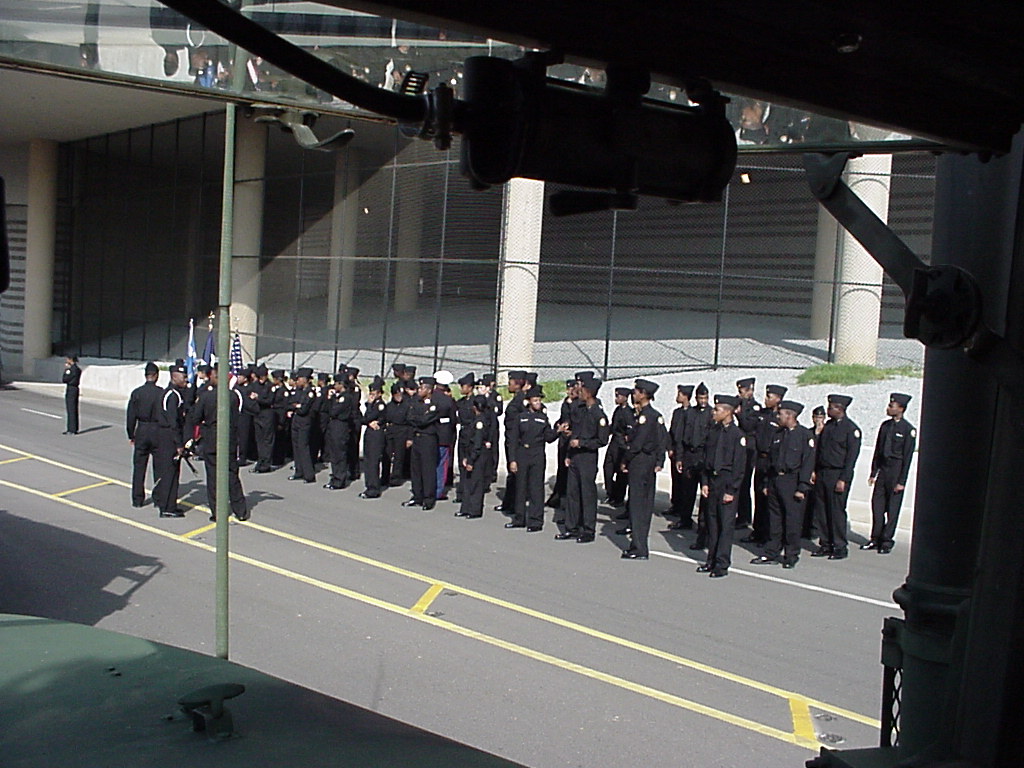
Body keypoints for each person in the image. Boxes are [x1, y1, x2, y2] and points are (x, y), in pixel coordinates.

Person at [751, 400, 815, 569]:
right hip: (775, 480)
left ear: (789, 415)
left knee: (792, 522)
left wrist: (802, 487)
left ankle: (791, 555)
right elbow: (770, 460)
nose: (777, 417)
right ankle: (771, 552)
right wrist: (767, 483)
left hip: (792, 482)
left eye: (780, 414)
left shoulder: (804, 436)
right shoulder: (778, 434)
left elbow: (807, 464)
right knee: (774, 520)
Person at [186, 364, 249, 522]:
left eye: (213, 376)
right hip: (229, 440)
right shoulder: (233, 396)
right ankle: (240, 510)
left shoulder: (206, 397)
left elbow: (195, 418)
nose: (210, 379)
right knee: (232, 476)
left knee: (213, 478)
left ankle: (217, 511)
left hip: (212, 440)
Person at [697, 394, 748, 578]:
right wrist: (704, 482)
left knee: (725, 526)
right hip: (713, 480)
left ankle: (722, 563)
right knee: (712, 524)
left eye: (717, 410)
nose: (713, 412)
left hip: (727, 482)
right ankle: (711, 560)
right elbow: (705, 459)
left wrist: (732, 490)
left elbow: (739, 466)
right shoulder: (713, 431)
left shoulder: (737, 436)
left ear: (727, 412)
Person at [557, 372, 610, 543]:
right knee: (572, 493)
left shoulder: (598, 414)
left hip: (587, 458)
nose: (578, 392)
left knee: (587, 495)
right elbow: (575, 432)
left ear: (589, 392)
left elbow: (602, 440)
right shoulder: (579, 410)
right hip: (574, 457)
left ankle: (588, 529)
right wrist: (568, 453)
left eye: (582, 389)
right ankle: (571, 527)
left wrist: (582, 443)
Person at [621, 379, 668, 560]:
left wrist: (625, 460)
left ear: (643, 394)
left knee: (637, 504)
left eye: (636, 392)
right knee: (645, 504)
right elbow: (662, 441)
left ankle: (638, 547)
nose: (634, 394)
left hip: (640, 462)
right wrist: (659, 460)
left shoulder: (645, 417)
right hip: (649, 462)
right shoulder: (656, 416)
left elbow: (637, 444)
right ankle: (639, 544)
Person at [865, 393, 917, 554]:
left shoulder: (908, 430)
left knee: (892, 509)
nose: (888, 408)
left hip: (896, 470)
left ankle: (886, 540)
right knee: (877, 506)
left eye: (892, 406)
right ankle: (875, 538)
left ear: (901, 408)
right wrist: (873, 472)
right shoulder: (885, 426)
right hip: (884, 470)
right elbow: (878, 450)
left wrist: (902, 481)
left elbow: (907, 458)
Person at [812, 394, 861, 560]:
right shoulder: (828, 427)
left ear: (840, 409)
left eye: (831, 407)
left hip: (838, 474)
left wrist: (843, 479)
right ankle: (825, 544)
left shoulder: (850, 429)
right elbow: (819, 450)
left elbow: (851, 458)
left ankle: (839, 546)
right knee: (822, 510)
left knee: (836, 511)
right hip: (823, 472)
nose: (828, 410)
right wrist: (814, 470)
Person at [505, 386, 559, 531]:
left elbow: (548, 437)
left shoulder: (543, 418)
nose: (538, 403)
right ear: (528, 401)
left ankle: (536, 521)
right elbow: (513, 440)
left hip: (537, 454)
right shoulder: (520, 417)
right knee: (520, 487)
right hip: (522, 453)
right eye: (535, 400)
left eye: (539, 400)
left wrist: (558, 432)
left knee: (536, 489)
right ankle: (519, 518)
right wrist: (512, 460)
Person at [744, 383, 787, 545]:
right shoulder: (762, 414)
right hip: (760, 460)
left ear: (778, 399)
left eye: (769, 397)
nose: (766, 399)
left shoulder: (780, 419)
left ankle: (768, 534)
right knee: (759, 496)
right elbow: (748, 426)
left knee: (769, 499)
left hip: (772, 461)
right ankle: (758, 531)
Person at [152, 360, 189, 518]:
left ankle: (165, 502)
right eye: (183, 376)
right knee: (170, 473)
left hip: (165, 435)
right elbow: (173, 422)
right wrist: (179, 443)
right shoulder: (172, 395)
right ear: (174, 376)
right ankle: (167, 507)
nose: (186, 379)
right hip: (168, 437)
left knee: (169, 471)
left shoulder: (170, 393)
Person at [126, 361, 163, 508]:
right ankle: (158, 498)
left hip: (142, 429)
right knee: (158, 467)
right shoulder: (161, 393)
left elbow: (131, 416)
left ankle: (137, 498)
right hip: (157, 430)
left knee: (139, 466)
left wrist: (131, 434)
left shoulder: (137, 393)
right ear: (156, 376)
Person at [455, 395, 494, 519]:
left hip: (478, 456)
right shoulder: (477, 419)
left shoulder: (480, 422)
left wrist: (471, 460)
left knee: (476, 483)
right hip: (471, 453)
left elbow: (477, 443)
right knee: (468, 482)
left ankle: (475, 510)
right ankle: (466, 508)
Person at [404, 376, 441, 510]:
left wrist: (417, 419)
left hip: (428, 439)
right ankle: (417, 496)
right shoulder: (416, 402)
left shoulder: (434, 405)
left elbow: (424, 421)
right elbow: (409, 417)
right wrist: (417, 419)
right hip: (417, 438)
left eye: (422, 388)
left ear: (429, 390)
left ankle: (428, 498)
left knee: (427, 469)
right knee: (416, 469)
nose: (419, 390)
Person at [497, 371, 529, 513]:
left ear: (517, 384)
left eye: (510, 383)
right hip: (511, 439)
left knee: (515, 473)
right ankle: (509, 503)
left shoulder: (522, 400)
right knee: (512, 473)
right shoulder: (517, 398)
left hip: (516, 440)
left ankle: (515, 504)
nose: (508, 385)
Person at [686, 382, 713, 548]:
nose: (703, 401)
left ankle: (703, 528)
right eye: (700, 398)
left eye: (705, 398)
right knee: (688, 490)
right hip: (691, 455)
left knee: (705, 496)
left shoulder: (711, 414)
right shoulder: (691, 413)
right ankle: (685, 519)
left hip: (703, 455)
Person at [734, 377, 761, 531]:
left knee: (744, 483)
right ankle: (738, 513)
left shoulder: (754, 407)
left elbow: (748, 425)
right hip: (738, 447)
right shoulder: (738, 403)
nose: (741, 394)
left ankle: (744, 516)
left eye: (743, 391)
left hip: (749, 448)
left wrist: (740, 413)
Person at [546, 379, 576, 510]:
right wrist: (558, 425)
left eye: (572, 388)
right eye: (568, 388)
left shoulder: (578, 404)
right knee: (562, 469)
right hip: (563, 439)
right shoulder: (566, 402)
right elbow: (563, 418)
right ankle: (558, 496)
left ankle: (566, 499)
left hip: (572, 438)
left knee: (570, 471)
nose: (569, 391)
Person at [668, 384, 694, 529]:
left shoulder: (691, 413)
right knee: (675, 480)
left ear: (685, 396)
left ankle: (683, 509)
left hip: (685, 452)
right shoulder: (676, 412)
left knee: (685, 483)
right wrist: (669, 447)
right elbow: (672, 431)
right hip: (675, 450)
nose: (677, 396)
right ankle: (675, 505)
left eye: (679, 394)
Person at [323, 374, 356, 490]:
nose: (334, 386)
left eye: (336, 384)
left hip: (341, 426)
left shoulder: (345, 397)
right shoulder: (338, 397)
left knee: (339, 453)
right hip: (334, 425)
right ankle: (334, 476)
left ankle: (340, 479)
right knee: (334, 453)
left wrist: (332, 400)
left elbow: (334, 411)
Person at [286, 367, 318, 483]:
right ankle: (299, 471)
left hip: (305, 421)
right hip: (296, 420)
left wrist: (297, 406)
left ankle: (309, 474)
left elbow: (304, 409)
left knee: (303, 447)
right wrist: (296, 406)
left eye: (299, 379)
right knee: (296, 446)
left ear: (305, 379)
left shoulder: (310, 393)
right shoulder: (298, 391)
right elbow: (290, 403)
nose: (297, 381)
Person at [603, 387, 633, 507]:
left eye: (618, 396)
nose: (616, 398)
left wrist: (626, 442)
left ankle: (618, 497)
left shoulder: (628, 413)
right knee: (607, 468)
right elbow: (613, 426)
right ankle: (611, 493)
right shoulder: (617, 410)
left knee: (621, 473)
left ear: (625, 398)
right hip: (614, 443)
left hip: (622, 445)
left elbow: (629, 430)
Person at [360, 376, 389, 499]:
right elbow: (364, 419)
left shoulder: (379, 405)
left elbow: (367, 417)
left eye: (374, 393)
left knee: (373, 462)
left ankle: (373, 488)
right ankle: (369, 486)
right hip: (370, 434)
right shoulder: (372, 405)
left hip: (376, 435)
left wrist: (370, 405)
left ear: (380, 394)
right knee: (368, 461)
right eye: (370, 393)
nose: (371, 396)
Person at [432, 370, 457, 500]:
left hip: (430, 435)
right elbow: (453, 419)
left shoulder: (430, 397)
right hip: (444, 436)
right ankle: (438, 491)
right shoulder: (448, 401)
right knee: (441, 464)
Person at [454, 372, 477, 503]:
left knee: (470, 464)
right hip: (463, 434)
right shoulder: (461, 402)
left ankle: (469, 493)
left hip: (472, 435)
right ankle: (461, 493)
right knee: (461, 464)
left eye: (463, 386)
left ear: (470, 387)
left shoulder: (475, 402)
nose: (461, 389)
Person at [249, 364, 275, 473]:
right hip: (258, 414)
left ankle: (266, 464)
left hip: (267, 414)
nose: (262, 379)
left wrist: (258, 398)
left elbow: (269, 401)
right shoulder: (255, 385)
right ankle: (260, 461)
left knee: (267, 441)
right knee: (259, 440)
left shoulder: (270, 386)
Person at [384, 382, 411, 486]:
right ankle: (385, 477)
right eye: (397, 394)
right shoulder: (389, 406)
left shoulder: (407, 406)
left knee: (399, 456)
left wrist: (409, 438)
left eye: (400, 394)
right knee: (387, 455)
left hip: (402, 431)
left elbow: (410, 423)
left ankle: (396, 477)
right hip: (390, 430)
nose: (399, 397)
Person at [62, 355, 82, 435]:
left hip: (71, 389)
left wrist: (66, 369)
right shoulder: (78, 369)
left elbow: (65, 379)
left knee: (71, 409)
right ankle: (74, 428)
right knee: (74, 409)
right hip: (75, 389)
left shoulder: (71, 370)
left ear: (71, 360)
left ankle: (71, 429)